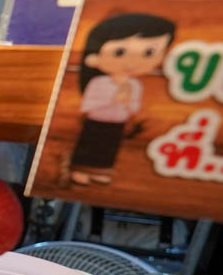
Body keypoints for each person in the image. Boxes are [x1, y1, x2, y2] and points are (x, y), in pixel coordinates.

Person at [68, 12, 174, 186]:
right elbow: (87, 105)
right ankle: (80, 170)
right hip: (96, 122)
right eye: (120, 51)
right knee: (89, 148)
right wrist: (113, 99)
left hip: (117, 123)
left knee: (109, 150)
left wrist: (127, 102)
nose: (132, 61)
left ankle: (101, 172)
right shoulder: (98, 81)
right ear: (94, 58)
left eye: (149, 52)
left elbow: (134, 108)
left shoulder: (135, 86)